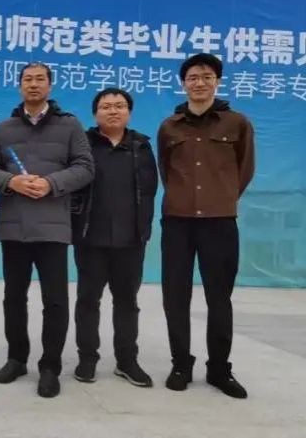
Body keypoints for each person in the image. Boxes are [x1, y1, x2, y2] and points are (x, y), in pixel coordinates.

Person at [0, 62, 94, 398]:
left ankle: (50, 366)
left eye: (40, 79)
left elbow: (85, 167)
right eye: (27, 79)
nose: (33, 84)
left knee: (55, 301)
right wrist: (11, 181)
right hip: (14, 228)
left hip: (53, 228)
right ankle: (17, 358)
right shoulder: (4, 129)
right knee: (13, 299)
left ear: (50, 85)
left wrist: (51, 183)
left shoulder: (70, 125)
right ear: (19, 86)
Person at [158, 53, 255, 399]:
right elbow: (166, 171)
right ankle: (181, 364)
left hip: (220, 222)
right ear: (183, 84)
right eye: (192, 77)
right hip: (177, 223)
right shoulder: (169, 127)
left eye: (206, 77)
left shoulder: (237, 123)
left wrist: (221, 198)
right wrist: (184, 200)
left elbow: (244, 170)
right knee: (175, 296)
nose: (199, 83)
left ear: (217, 81)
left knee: (219, 297)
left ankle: (219, 369)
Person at [71, 88, 158, 387]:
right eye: (106, 106)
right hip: (90, 238)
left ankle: (127, 360)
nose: (113, 111)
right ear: (95, 113)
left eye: (119, 106)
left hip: (130, 240)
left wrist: (143, 229)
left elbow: (149, 190)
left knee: (127, 302)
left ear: (129, 112)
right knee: (87, 300)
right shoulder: (83, 145)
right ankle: (87, 358)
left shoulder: (141, 146)